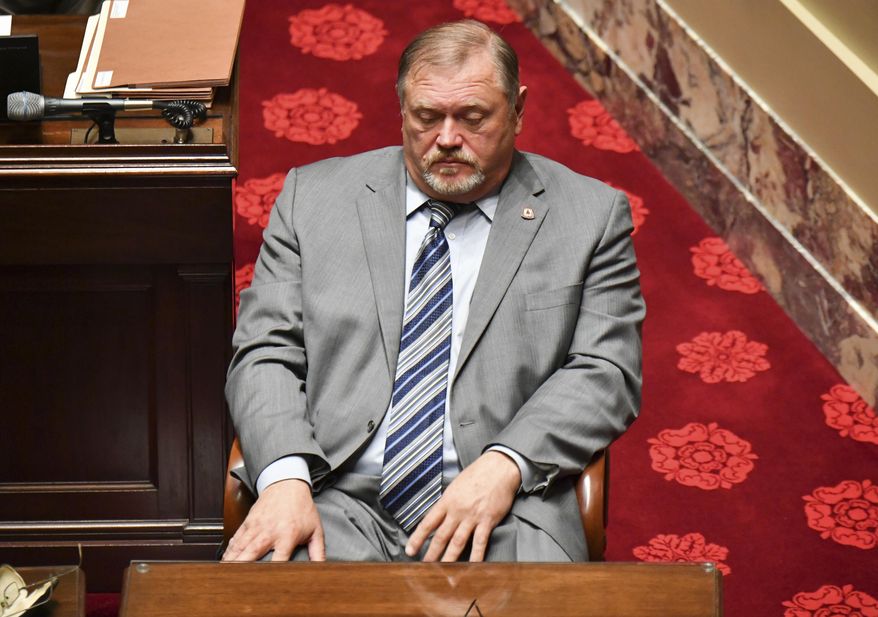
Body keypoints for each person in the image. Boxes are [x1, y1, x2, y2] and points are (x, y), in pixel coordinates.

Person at [222, 19, 644, 564]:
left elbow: (607, 371)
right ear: (402, 108)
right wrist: (283, 478)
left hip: (506, 507)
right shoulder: (313, 199)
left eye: (472, 117)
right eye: (426, 117)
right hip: (335, 498)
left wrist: (505, 464)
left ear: (517, 108)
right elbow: (264, 353)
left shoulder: (590, 216)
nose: (446, 138)